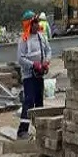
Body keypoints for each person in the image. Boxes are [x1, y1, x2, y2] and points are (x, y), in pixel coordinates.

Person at [16, 10, 51, 139]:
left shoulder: (41, 36)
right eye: (35, 22)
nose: (37, 25)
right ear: (29, 24)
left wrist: (46, 61)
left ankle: (41, 128)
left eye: (37, 22)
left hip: (39, 74)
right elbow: (20, 58)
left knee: (39, 101)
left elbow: (48, 50)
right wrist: (33, 64)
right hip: (29, 75)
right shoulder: (23, 40)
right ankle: (22, 130)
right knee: (29, 100)